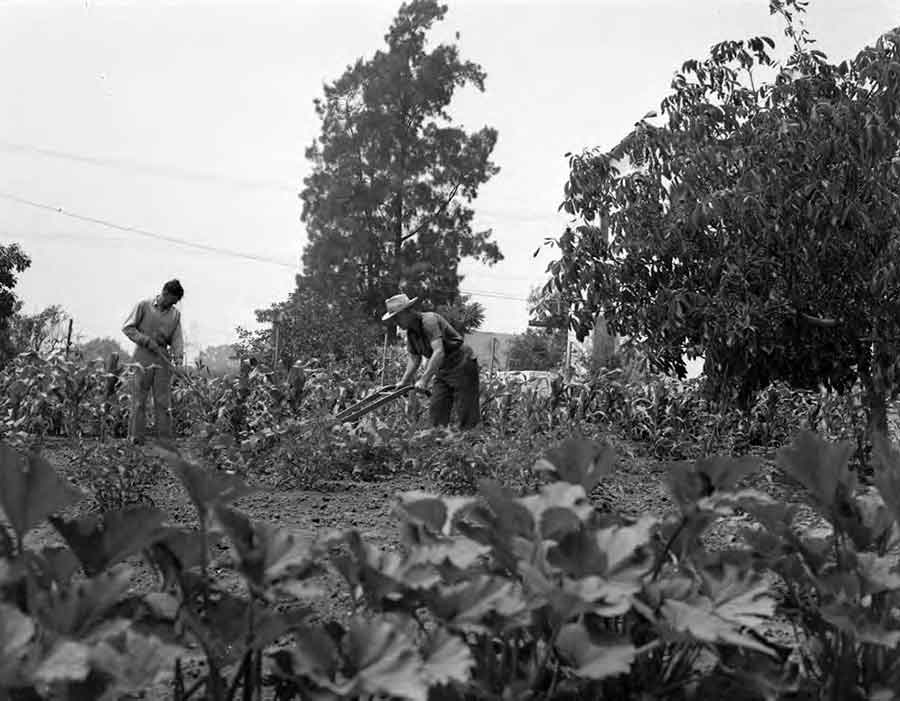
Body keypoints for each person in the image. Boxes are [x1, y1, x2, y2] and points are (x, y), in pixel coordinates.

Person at [382, 293, 480, 429]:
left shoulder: (429, 321)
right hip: (443, 369)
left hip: (461, 363)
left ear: (407, 312)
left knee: (466, 413)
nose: (395, 322)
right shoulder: (411, 333)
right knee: (437, 410)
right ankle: (438, 440)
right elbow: (414, 359)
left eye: (397, 317)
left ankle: (472, 443)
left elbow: (439, 352)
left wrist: (424, 380)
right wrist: (404, 382)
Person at [122, 279, 185, 445]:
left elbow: (177, 339)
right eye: (172, 300)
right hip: (143, 355)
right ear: (165, 293)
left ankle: (164, 440)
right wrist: (145, 340)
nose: (173, 304)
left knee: (163, 401)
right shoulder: (144, 306)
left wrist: (178, 359)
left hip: (163, 357)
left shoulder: (175, 315)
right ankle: (136, 438)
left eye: (176, 302)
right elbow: (128, 328)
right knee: (139, 399)